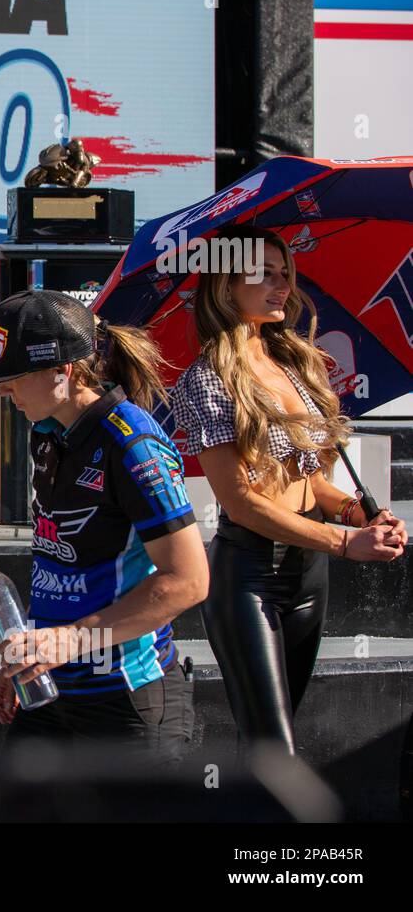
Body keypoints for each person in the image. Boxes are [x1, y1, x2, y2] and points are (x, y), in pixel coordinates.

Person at [170, 225, 407, 755]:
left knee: (280, 742)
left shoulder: (296, 365)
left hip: (309, 574)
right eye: (263, 275)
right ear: (226, 285)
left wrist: (357, 515)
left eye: (284, 274)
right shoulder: (208, 378)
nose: (281, 286)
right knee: (272, 749)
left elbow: (311, 481)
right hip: (248, 574)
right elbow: (242, 502)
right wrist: (348, 544)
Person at [0, 289, 208, 766]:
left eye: (11, 376)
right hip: (50, 688)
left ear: (62, 370)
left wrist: (70, 639)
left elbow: (189, 581)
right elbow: (62, 563)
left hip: (126, 699)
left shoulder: (133, 446)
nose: (2, 391)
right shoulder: (47, 432)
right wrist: (26, 654)